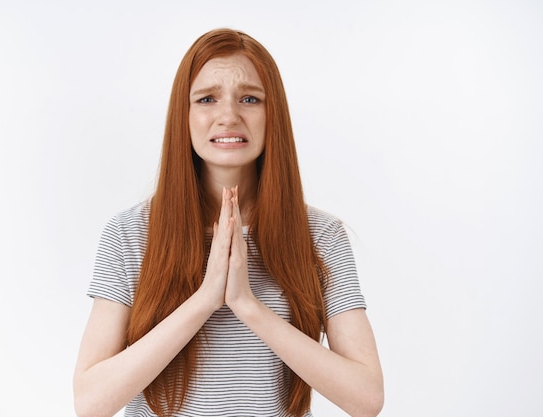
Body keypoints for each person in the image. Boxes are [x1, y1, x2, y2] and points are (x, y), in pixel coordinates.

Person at [73, 28, 383, 417]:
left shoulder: (320, 236)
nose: (228, 116)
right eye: (207, 99)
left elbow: (367, 398)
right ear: (183, 116)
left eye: (250, 99)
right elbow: (89, 402)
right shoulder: (131, 234)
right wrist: (206, 299)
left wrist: (246, 305)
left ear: (274, 116)